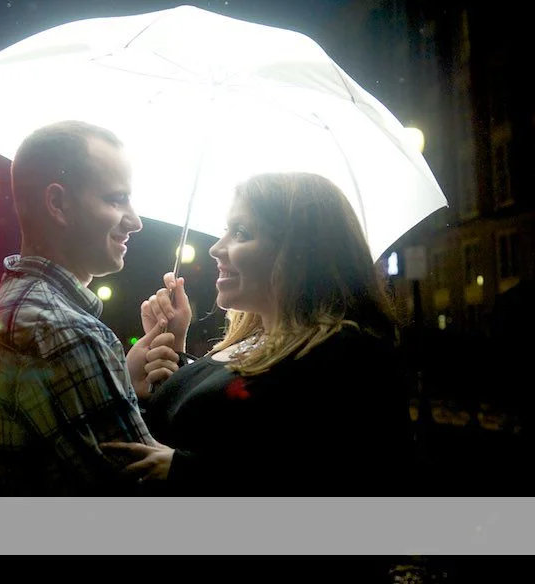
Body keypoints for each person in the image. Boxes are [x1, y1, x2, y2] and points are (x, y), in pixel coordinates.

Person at [102, 171, 414, 495]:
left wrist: (187, 473)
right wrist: (171, 359)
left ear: (297, 252)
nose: (216, 249)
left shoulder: (348, 355)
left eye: (241, 233)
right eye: (227, 230)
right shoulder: (250, 342)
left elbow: (343, 481)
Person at [0, 120, 178, 496]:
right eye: (115, 199)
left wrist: (125, 381)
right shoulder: (65, 330)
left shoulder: (14, 306)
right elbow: (140, 499)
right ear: (58, 204)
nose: (136, 221)